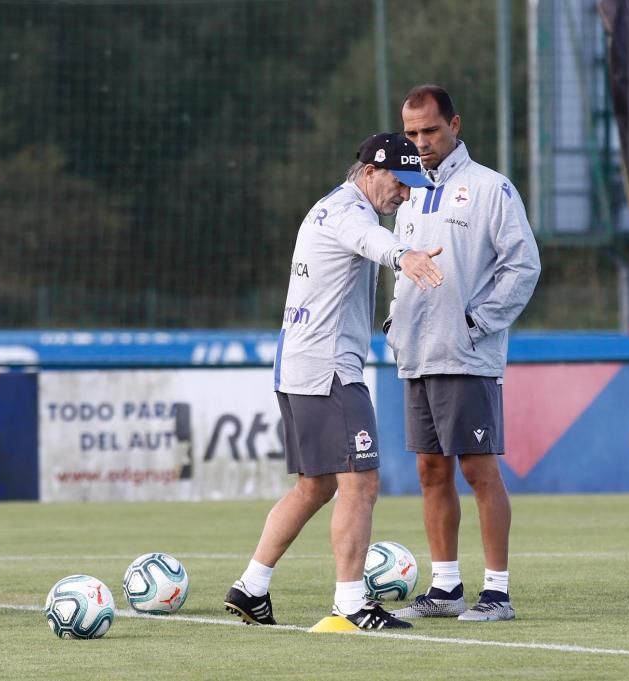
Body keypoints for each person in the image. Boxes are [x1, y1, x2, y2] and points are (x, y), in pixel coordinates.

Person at [224, 133, 444, 630]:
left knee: (316, 486)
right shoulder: (351, 213)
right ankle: (350, 604)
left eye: (413, 185)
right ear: (369, 172)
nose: (406, 194)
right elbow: (373, 242)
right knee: (362, 482)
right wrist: (404, 256)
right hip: (329, 371)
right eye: (400, 182)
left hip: (298, 365)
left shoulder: (331, 205)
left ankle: (251, 586)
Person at [385, 85, 541, 622]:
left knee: (478, 469)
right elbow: (403, 263)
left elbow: (523, 266)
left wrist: (478, 321)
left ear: (455, 124)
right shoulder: (405, 193)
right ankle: (446, 586)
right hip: (416, 354)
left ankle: (497, 592)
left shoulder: (490, 188)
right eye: (411, 133)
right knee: (431, 470)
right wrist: (393, 319)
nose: (421, 142)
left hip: (466, 355)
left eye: (430, 130)